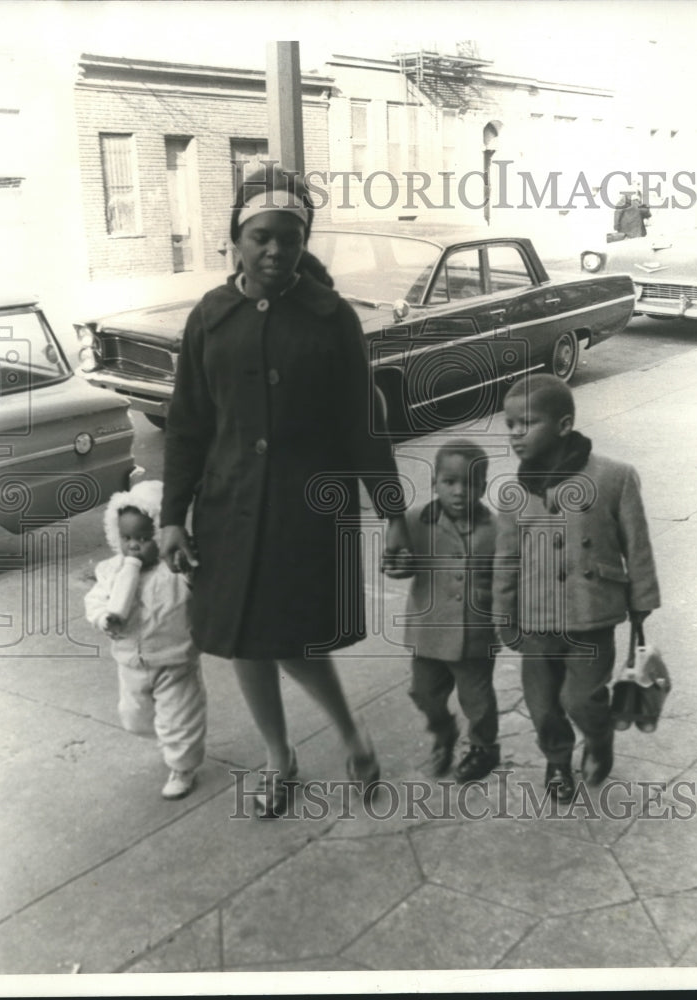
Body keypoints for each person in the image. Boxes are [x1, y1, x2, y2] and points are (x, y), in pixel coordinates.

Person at [159, 165, 411, 817]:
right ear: (236, 240)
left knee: (290, 636)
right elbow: (187, 423)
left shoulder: (331, 320)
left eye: (291, 238)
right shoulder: (210, 318)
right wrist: (172, 516)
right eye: (262, 236)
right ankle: (279, 759)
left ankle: (351, 736)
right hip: (228, 505)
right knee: (245, 636)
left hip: (304, 507)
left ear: (305, 243)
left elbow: (362, 423)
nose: (276, 250)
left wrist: (392, 514)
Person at [492, 375, 660, 802]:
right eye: (509, 424)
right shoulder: (514, 493)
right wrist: (503, 616)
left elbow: (636, 545)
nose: (514, 434)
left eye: (525, 423)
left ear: (563, 425)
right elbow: (505, 560)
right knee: (543, 704)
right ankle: (557, 760)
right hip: (535, 618)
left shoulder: (614, 477)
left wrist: (641, 603)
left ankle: (599, 736)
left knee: (581, 697)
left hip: (591, 613)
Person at [386, 440, 501, 782]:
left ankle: (484, 748)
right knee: (423, 692)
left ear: (482, 486)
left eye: (469, 483)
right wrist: (397, 562)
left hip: (474, 634)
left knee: (477, 701)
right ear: (435, 483)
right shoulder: (414, 519)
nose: (458, 491)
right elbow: (394, 560)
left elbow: (509, 578)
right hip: (429, 631)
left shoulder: (497, 530)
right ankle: (443, 730)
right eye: (449, 482)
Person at [84, 480, 207, 800]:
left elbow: (203, 592)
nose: (134, 546)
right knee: (135, 719)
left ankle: (183, 766)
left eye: (143, 538)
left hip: (175, 658)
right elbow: (96, 601)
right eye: (126, 538)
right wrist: (104, 617)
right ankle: (170, 735)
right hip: (130, 661)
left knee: (180, 716)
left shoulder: (175, 571)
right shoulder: (111, 571)